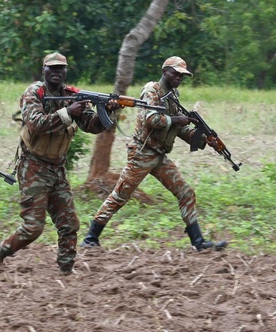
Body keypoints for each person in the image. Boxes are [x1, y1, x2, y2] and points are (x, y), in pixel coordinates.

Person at [0, 52, 118, 276]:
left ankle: (66, 270)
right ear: (43, 70)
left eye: (60, 68)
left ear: (65, 71)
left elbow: (91, 126)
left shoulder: (72, 95)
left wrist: (109, 109)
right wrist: (67, 113)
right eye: (52, 68)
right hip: (33, 167)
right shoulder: (34, 93)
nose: (56, 72)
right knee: (33, 228)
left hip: (57, 168)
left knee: (69, 224)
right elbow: (35, 124)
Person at [81, 56, 226, 251]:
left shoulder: (173, 95)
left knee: (185, 192)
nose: (178, 78)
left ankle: (198, 242)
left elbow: (179, 129)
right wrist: (177, 120)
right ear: (164, 71)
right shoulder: (152, 90)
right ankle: (91, 237)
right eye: (175, 73)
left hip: (158, 155)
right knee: (120, 196)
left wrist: (201, 138)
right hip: (142, 153)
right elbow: (152, 120)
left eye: (182, 75)